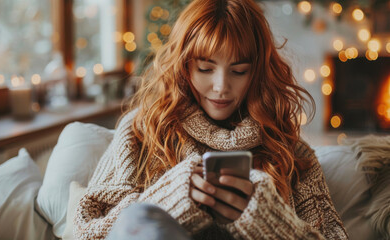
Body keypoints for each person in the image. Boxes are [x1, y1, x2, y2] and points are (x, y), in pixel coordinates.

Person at [74, 0, 349, 239]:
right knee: (137, 218)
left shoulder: (290, 151)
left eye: (239, 71)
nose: (221, 86)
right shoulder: (141, 131)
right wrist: (170, 199)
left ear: (257, 73)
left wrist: (265, 219)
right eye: (205, 68)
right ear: (184, 66)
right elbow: (87, 231)